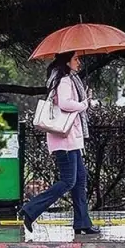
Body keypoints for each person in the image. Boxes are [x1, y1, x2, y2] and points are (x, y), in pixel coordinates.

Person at [19, 51, 101, 235]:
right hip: (65, 140)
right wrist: (83, 104)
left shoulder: (67, 79)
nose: (79, 62)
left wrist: (84, 100)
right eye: (76, 59)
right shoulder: (64, 80)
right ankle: (30, 210)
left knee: (80, 180)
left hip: (71, 139)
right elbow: (65, 103)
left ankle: (82, 223)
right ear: (67, 61)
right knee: (68, 181)